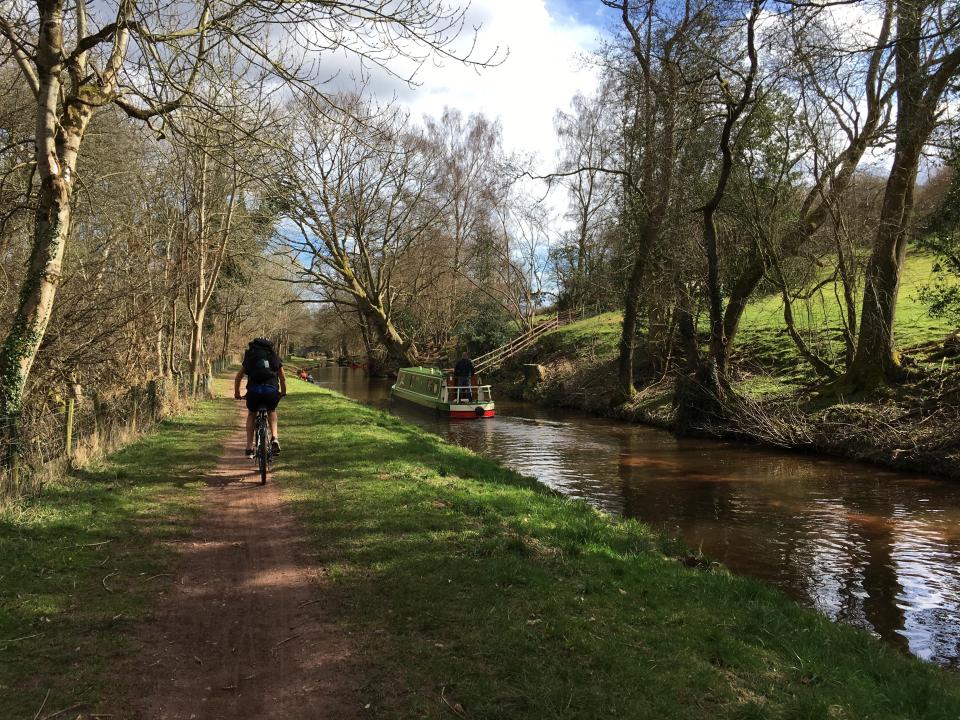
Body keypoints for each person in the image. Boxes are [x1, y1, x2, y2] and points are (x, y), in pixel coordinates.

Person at [234, 337, 287, 458]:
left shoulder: (251, 357)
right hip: (271, 391)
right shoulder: (273, 356)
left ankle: (249, 447)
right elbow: (283, 378)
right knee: (271, 411)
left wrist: (237, 393)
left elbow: (238, 377)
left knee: (252, 414)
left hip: (254, 392)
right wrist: (283, 392)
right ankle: (274, 437)